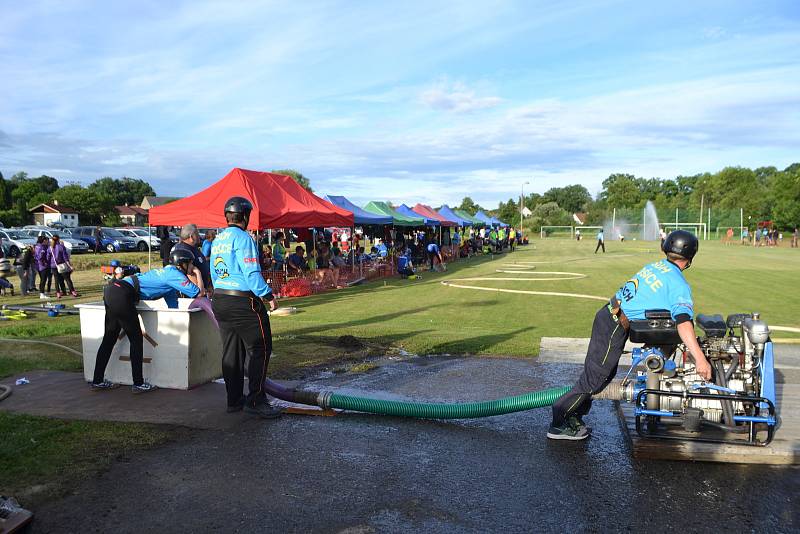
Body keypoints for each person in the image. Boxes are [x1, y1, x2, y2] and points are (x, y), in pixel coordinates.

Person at [548, 230, 711, 440]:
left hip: (611, 316)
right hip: (614, 322)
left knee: (602, 375)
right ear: (690, 257)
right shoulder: (678, 284)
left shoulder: (656, 266)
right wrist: (700, 359)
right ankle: (559, 423)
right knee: (594, 379)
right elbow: (683, 323)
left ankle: (573, 417)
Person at [90, 248, 201, 393]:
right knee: (136, 338)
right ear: (182, 264)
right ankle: (138, 384)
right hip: (123, 293)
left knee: (109, 338)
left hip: (113, 290)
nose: (193, 267)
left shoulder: (168, 275)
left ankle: (97, 381)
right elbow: (198, 293)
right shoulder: (174, 274)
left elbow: (173, 306)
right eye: (191, 264)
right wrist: (197, 273)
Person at [211, 197, 281, 418]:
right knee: (260, 348)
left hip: (220, 299)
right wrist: (268, 295)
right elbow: (251, 273)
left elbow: (214, 272)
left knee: (231, 353)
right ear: (245, 216)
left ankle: (234, 400)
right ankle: (256, 400)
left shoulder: (217, 240)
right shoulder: (243, 238)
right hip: (243, 300)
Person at [171, 224, 209, 292]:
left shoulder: (191, 247)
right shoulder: (184, 250)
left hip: (204, 289)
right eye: (197, 234)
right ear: (191, 236)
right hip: (195, 292)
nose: (199, 236)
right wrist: (201, 289)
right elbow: (189, 272)